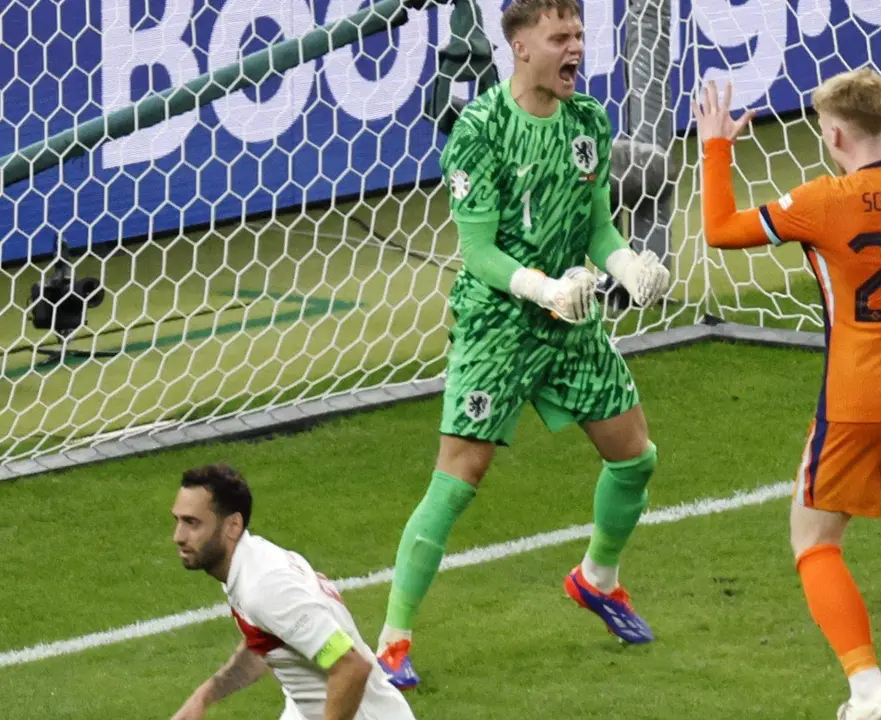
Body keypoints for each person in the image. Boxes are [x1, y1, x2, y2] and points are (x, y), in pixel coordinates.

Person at [375, 0, 672, 690]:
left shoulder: (588, 121)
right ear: (520, 46)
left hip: (572, 323)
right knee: (458, 477)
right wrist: (541, 288)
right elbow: (477, 250)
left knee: (634, 459)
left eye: (579, 35)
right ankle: (392, 640)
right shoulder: (479, 131)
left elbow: (597, 227)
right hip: (500, 325)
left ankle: (598, 579)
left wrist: (626, 264)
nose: (576, 49)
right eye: (560, 37)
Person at [697, 69, 881, 720]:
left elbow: (719, 229)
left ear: (831, 134)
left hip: (859, 400)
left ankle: (868, 689)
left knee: (814, 540)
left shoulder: (821, 201)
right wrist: (878, 122)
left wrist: (717, 147)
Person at [168, 464, 415, 720]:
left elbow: (351, 667)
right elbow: (266, 643)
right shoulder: (247, 563)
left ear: (232, 525)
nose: (178, 536)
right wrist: (204, 697)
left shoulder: (266, 589)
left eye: (192, 523)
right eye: (178, 520)